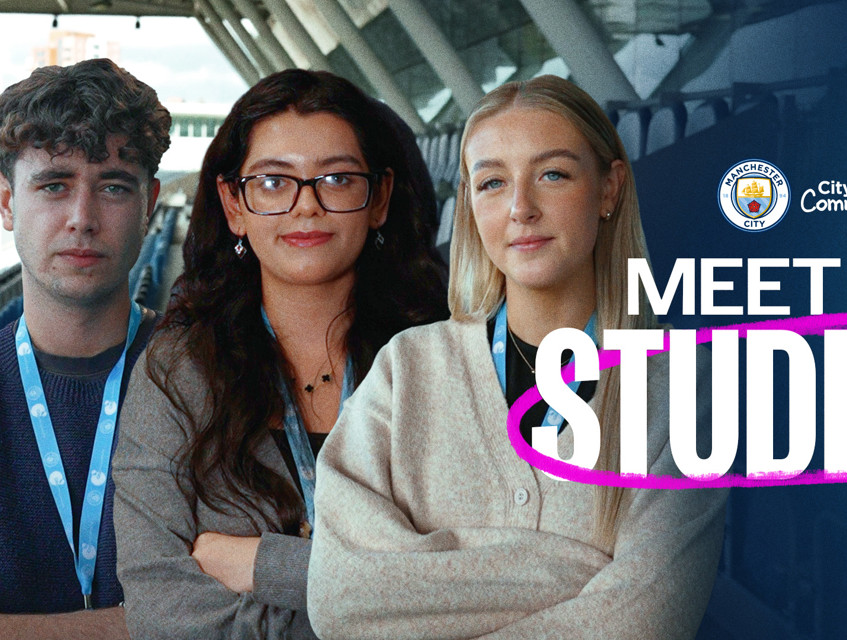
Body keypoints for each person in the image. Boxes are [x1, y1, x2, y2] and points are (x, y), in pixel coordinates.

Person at [308, 75, 726, 639]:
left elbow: (644, 624)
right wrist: (571, 573)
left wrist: (435, 584)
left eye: (553, 174)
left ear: (609, 189)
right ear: (470, 204)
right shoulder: (405, 371)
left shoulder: (683, 385)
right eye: (493, 183)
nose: (520, 208)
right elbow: (339, 598)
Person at [111, 69, 448, 638]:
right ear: (234, 204)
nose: (306, 206)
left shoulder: (445, 364)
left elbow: (481, 586)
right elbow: (160, 611)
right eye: (273, 182)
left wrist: (265, 567)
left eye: (337, 179)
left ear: (379, 198)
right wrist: (379, 598)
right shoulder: (178, 370)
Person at [0, 59, 168, 637]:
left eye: (114, 187)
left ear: (149, 205)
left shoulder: (214, 377)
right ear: (6, 203)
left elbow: (231, 615)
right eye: (54, 185)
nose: (82, 219)